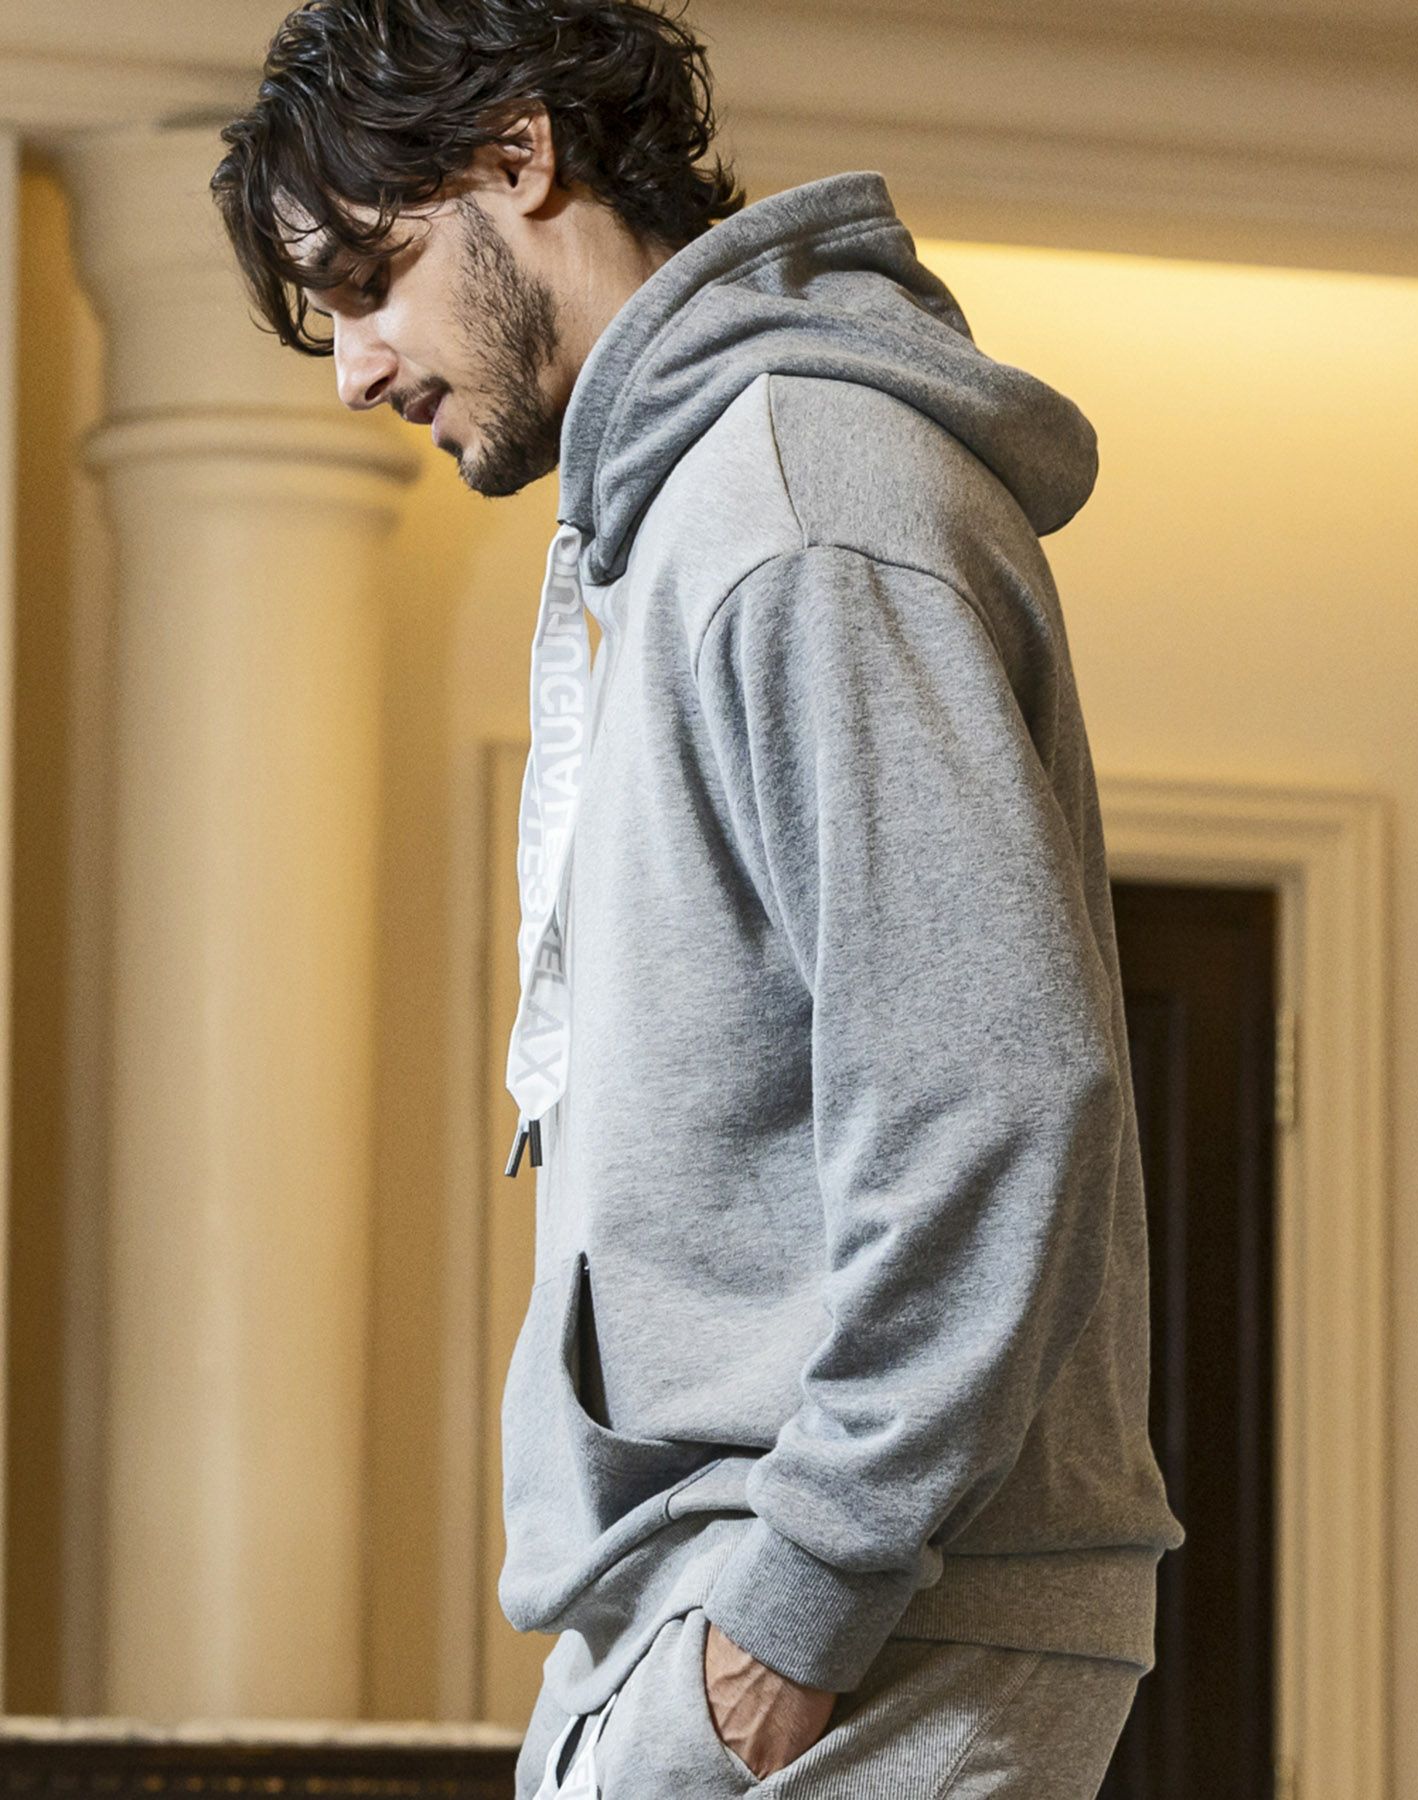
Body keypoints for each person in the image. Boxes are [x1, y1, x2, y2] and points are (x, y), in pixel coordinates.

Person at [211, 2, 1186, 1794]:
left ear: (519, 156)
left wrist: (795, 1608)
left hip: (854, 1614)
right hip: (727, 1594)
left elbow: (995, 1088)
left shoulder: (801, 507)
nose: (353, 368)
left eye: (368, 279)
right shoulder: (695, 517)